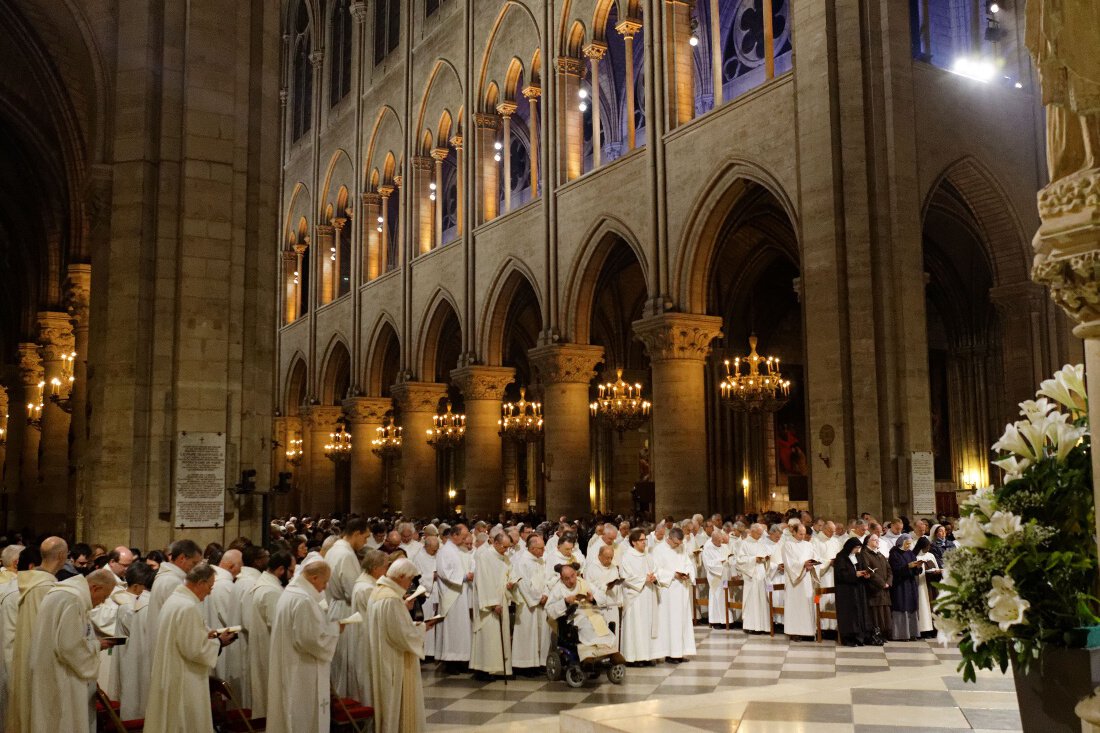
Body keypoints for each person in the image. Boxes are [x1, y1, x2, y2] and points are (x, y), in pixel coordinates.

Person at [144, 563, 236, 733]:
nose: (210, 592)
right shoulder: (188, 607)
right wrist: (220, 642)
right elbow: (195, 650)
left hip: (173, 670)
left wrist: (206, 634)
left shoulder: (175, 601)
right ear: (200, 583)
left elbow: (183, 637)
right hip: (185, 676)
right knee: (185, 721)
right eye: (210, 586)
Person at [28, 568, 118, 732]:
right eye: (104, 596)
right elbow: (69, 647)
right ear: (95, 588)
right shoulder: (72, 599)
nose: (103, 601)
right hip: (62, 675)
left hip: (50, 669)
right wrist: (96, 646)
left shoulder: (62, 594)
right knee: (64, 722)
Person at [266, 560, 342, 733]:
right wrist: (336, 629)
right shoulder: (303, 600)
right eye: (324, 582)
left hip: (290, 663)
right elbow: (310, 640)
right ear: (314, 578)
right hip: (302, 669)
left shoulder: (290, 593)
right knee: (303, 716)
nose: (325, 587)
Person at [368, 558, 438, 733]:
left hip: (382, 653)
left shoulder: (378, 592)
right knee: (396, 702)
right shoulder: (391, 599)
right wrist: (422, 627)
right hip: (394, 659)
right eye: (409, 579)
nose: (409, 584)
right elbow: (401, 635)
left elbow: (394, 627)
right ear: (400, 576)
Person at [9, 536, 66, 733]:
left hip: (24, 659)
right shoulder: (47, 589)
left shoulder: (29, 584)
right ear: (61, 556)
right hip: (42, 663)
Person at [242, 550, 294, 719]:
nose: (292, 575)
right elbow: (278, 625)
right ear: (280, 569)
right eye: (291, 571)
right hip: (270, 651)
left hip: (264, 648)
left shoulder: (265, 585)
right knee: (272, 701)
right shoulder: (271, 591)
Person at [325, 518, 369, 697]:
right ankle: (348, 702)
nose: (366, 542)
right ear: (356, 533)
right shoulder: (347, 555)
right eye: (365, 537)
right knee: (347, 663)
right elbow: (354, 591)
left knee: (339, 663)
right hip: (346, 609)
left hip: (335, 607)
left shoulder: (334, 550)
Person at [546, 564, 619, 661]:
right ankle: (588, 657)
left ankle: (610, 653)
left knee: (602, 627)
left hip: (591, 613)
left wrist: (592, 598)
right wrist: (565, 602)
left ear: (576, 573)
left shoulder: (584, 583)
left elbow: (602, 597)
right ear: (561, 578)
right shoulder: (557, 589)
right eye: (567, 579)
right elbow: (549, 610)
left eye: (573, 576)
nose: (571, 581)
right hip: (573, 618)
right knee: (587, 626)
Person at [471, 532, 515, 680]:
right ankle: (484, 670)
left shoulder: (504, 557)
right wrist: (493, 603)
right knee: (489, 636)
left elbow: (510, 573)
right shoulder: (485, 557)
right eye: (504, 547)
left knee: (500, 635)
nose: (506, 550)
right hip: (490, 604)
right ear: (495, 543)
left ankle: (500, 669)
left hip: (501, 599)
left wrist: (511, 582)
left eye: (508, 547)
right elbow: (483, 582)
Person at [114, 562, 155, 721]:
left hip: (139, 656)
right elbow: (142, 632)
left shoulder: (137, 603)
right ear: (138, 587)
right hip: (132, 658)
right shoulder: (128, 607)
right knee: (135, 697)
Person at [351, 549, 389, 705]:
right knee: (368, 677)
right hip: (366, 637)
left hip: (366, 634)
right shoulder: (366, 588)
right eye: (385, 567)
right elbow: (379, 613)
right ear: (375, 568)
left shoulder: (366, 583)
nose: (387, 571)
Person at [652, 527, 695, 663]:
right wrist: (673, 574)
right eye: (676, 543)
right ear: (669, 538)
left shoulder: (681, 548)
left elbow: (688, 563)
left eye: (679, 543)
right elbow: (656, 570)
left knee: (682, 622)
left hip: (682, 590)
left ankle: (680, 652)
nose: (678, 546)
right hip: (668, 592)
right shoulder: (658, 550)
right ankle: (670, 653)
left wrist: (687, 573)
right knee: (670, 622)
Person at [435, 524, 473, 673]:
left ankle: (461, 659)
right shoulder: (445, 551)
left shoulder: (455, 549)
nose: (465, 541)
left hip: (459, 594)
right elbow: (444, 572)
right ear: (455, 535)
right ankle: (451, 662)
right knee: (453, 629)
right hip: (451, 594)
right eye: (463, 537)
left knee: (461, 628)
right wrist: (464, 577)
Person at [510, 534, 552, 674]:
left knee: (541, 633)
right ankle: (524, 665)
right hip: (528, 604)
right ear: (532, 548)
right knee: (527, 633)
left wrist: (545, 594)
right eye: (541, 548)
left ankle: (539, 663)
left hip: (541, 601)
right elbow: (524, 584)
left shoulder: (540, 560)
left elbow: (546, 579)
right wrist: (537, 598)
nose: (544, 550)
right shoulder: (522, 561)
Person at [619, 529, 658, 665]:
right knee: (635, 626)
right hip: (635, 596)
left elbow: (655, 569)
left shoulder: (647, 556)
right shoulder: (627, 556)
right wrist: (644, 579)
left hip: (647, 595)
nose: (644, 543)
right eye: (642, 540)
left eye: (645, 540)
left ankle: (646, 656)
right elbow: (625, 576)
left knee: (646, 625)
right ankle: (633, 658)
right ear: (634, 542)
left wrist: (654, 577)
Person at [833, 538, 874, 646]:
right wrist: (854, 574)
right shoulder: (841, 557)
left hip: (858, 589)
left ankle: (859, 638)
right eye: (856, 548)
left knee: (859, 613)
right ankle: (848, 638)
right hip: (846, 591)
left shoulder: (858, 556)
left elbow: (861, 568)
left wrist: (866, 574)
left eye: (859, 548)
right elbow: (840, 575)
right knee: (849, 615)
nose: (857, 550)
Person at [737, 524, 771, 634]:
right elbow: (740, 560)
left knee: (762, 600)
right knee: (752, 600)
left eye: (761, 534)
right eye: (758, 533)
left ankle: (763, 626)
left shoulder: (761, 543)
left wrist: (766, 558)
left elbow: (766, 555)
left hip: (761, 574)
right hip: (751, 575)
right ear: (752, 531)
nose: (760, 536)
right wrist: (754, 559)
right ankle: (751, 626)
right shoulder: (745, 543)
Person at [586, 544, 623, 647]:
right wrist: (604, 587)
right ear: (599, 556)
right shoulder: (591, 567)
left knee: (613, 627)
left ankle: (614, 653)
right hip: (598, 604)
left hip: (612, 602)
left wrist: (615, 586)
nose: (609, 560)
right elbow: (589, 585)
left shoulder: (614, 568)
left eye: (611, 557)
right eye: (607, 557)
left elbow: (617, 585)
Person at [888, 534, 923, 641]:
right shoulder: (894, 554)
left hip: (910, 584)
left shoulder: (910, 554)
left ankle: (912, 633)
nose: (908, 546)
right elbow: (895, 570)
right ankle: (901, 635)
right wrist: (908, 566)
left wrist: (918, 567)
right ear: (901, 543)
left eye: (910, 544)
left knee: (911, 607)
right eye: (907, 543)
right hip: (900, 585)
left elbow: (916, 571)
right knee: (901, 607)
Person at [861, 534, 893, 637]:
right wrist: (882, 583)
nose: (877, 542)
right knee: (876, 613)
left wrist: (888, 582)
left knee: (885, 613)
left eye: (878, 540)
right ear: (868, 542)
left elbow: (889, 570)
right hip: (874, 589)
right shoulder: (864, 554)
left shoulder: (880, 554)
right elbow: (868, 571)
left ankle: (885, 634)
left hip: (885, 589)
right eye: (875, 540)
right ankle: (876, 635)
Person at [701, 530, 731, 628]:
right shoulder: (708, 549)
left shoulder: (725, 547)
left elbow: (731, 559)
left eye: (721, 540)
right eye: (718, 540)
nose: (720, 542)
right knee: (716, 597)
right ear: (712, 540)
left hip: (725, 576)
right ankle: (716, 621)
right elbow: (708, 564)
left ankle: (726, 620)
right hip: (715, 577)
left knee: (726, 597)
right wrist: (720, 562)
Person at [913, 536, 941, 639]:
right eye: (926, 546)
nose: (928, 548)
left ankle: (933, 629)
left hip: (931, 585)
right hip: (921, 584)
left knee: (932, 607)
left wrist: (937, 571)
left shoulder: (931, 555)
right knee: (923, 607)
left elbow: (936, 567)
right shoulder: (915, 556)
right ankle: (922, 630)